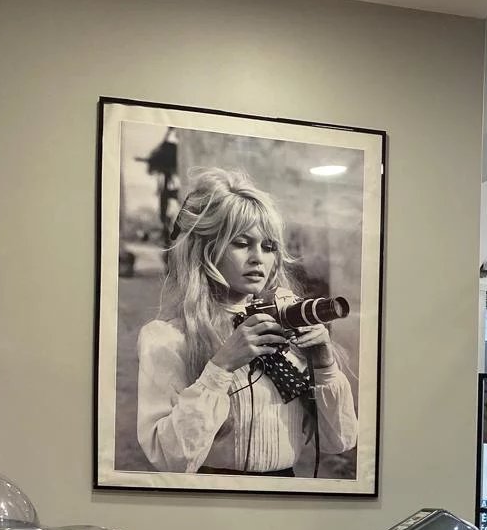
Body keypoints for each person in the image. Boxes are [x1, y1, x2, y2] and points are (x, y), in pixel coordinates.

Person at [135, 167, 357, 476]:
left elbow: (340, 441)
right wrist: (221, 367)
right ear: (206, 250)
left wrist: (324, 363)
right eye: (241, 243)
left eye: (268, 247)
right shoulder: (167, 338)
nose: (258, 258)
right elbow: (168, 458)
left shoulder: (288, 323)